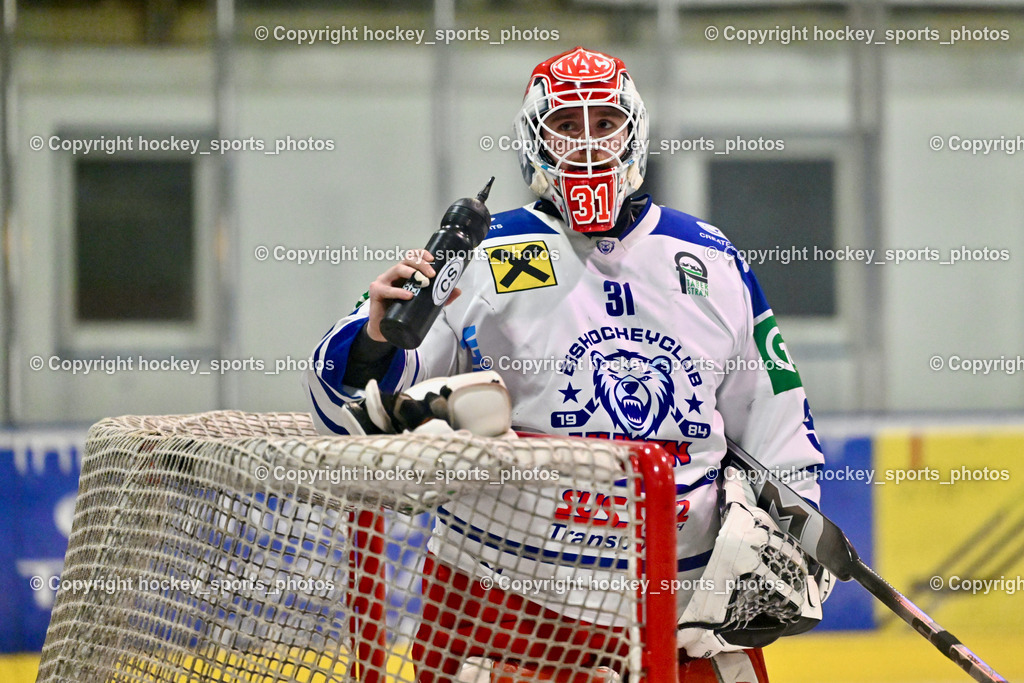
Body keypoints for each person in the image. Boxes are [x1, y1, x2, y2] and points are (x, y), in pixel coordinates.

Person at [304, 46, 827, 683]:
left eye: (604, 123)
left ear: (634, 131)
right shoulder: (479, 252)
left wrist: (775, 559)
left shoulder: (711, 259)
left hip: (683, 611)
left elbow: (776, 427)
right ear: (533, 139)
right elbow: (346, 412)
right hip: (509, 604)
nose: (586, 145)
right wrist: (374, 340)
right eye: (566, 126)